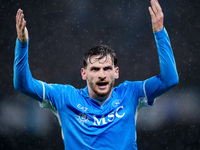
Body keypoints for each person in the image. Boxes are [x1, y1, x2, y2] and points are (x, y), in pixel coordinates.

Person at [14, 0, 178, 149]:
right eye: (95, 69)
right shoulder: (65, 97)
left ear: (116, 72)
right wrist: (22, 44)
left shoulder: (131, 94)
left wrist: (160, 33)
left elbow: (170, 80)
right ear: (84, 74)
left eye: (107, 68)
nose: (102, 75)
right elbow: (23, 84)